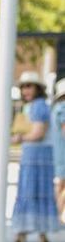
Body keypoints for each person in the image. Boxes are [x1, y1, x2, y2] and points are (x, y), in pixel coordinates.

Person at [11, 71, 58, 242]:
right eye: (23, 87)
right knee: (35, 191)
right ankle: (36, 231)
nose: (25, 90)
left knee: (31, 190)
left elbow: (38, 132)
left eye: (29, 86)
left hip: (37, 155)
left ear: (37, 88)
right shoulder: (31, 106)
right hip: (34, 154)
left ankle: (31, 231)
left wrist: (20, 138)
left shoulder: (39, 106)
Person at [51, 77, 65, 225]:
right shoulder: (63, 108)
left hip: (58, 151)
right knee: (62, 183)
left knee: (61, 183)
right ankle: (59, 214)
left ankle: (59, 213)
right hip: (63, 151)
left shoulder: (56, 108)